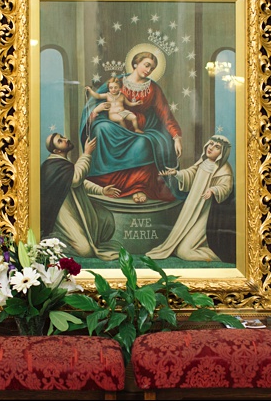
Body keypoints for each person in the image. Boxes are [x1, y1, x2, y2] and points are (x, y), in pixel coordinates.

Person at [78, 49, 183, 204]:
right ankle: (104, 183)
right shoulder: (117, 82)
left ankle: (138, 186)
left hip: (138, 130)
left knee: (144, 143)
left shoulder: (153, 88)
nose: (148, 70)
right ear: (135, 63)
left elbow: (165, 114)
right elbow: (97, 100)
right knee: (101, 129)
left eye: (152, 68)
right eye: (146, 65)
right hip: (114, 123)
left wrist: (176, 137)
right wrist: (96, 110)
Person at [148, 135, 234, 262]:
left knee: (185, 252)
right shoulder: (203, 162)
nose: (211, 148)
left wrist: (213, 190)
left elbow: (226, 187)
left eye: (217, 147)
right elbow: (190, 174)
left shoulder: (224, 169)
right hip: (192, 209)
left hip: (205, 214)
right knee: (177, 248)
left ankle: (217, 257)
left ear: (222, 153)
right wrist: (176, 173)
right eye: (211, 144)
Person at [40, 134, 119, 260]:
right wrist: (87, 153)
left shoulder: (62, 164)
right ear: (56, 151)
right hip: (61, 214)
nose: (66, 139)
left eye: (63, 137)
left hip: (75, 207)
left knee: (106, 218)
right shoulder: (52, 166)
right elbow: (76, 179)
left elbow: (78, 182)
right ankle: (56, 240)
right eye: (60, 141)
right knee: (85, 251)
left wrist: (102, 190)